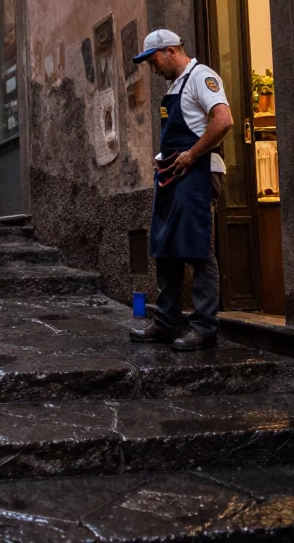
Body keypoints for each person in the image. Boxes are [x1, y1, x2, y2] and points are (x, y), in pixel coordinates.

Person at [128, 29, 233, 351]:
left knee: (197, 248)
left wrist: (191, 154)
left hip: (197, 172)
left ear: (171, 51)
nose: (152, 68)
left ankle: (204, 327)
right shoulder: (176, 85)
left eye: (154, 60)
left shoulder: (201, 77)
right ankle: (167, 321)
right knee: (165, 246)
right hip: (173, 175)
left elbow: (223, 120)